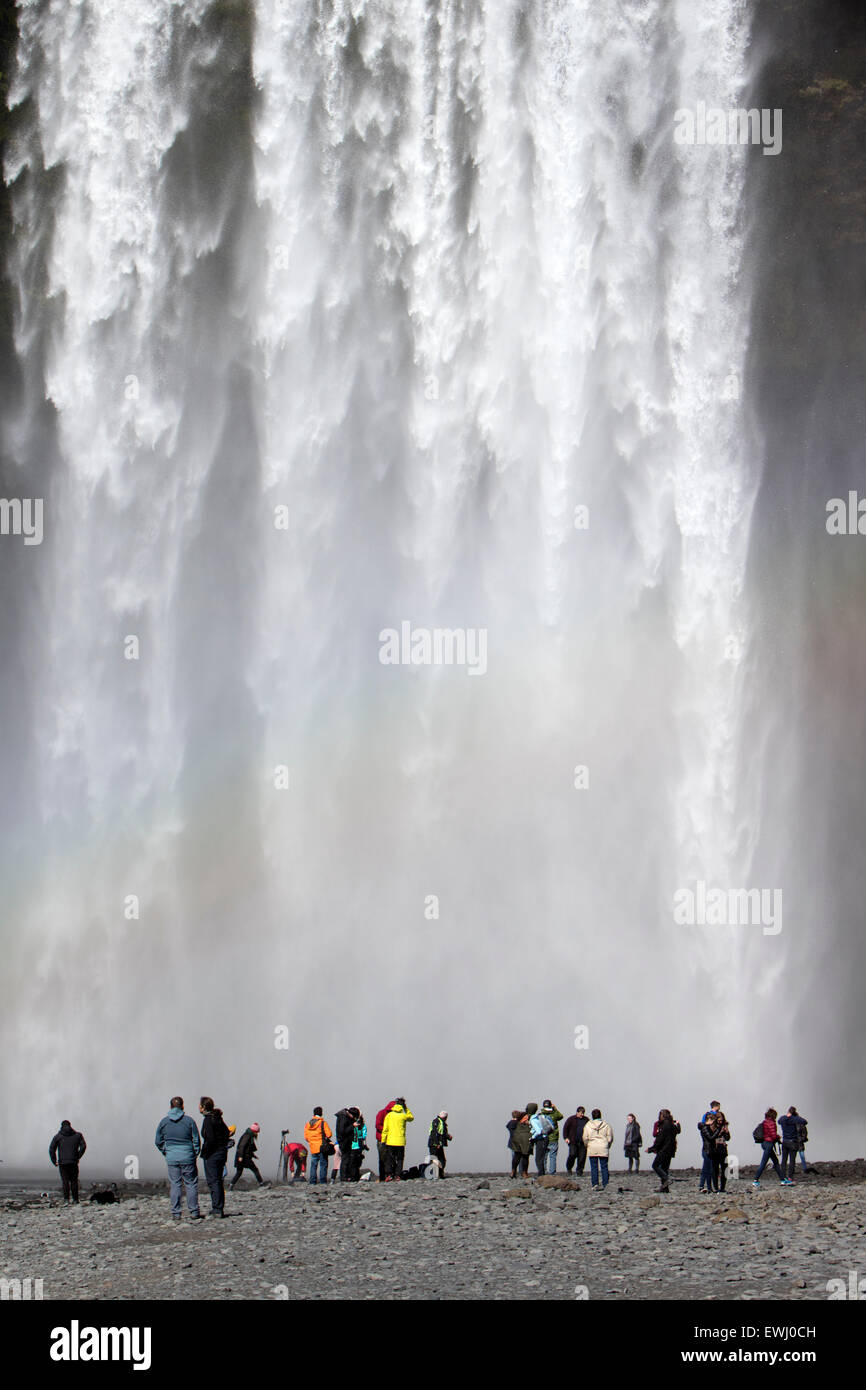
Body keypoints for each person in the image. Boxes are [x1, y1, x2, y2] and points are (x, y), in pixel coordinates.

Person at [154, 1096, 204, 1221]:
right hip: (188, 1156)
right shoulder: (189, 1121)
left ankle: (176, 1213)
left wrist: (166, 1151)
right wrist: (194, 1153)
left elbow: (158, 1141)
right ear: (182, 1106)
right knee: (191, 1183)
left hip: (172, 1157)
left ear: (170, 1107)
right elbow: (196, 1140)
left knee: (175, 1184)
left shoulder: (164, 1122)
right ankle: (193, 1211)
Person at [199, 1097, 230, 1217]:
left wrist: (205, 1152)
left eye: (200, 1105)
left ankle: (217, 1208)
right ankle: (219, 1207)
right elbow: (227, 1132)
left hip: (213, 1154)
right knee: (218, 1180)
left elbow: (210, 1138)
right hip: (221, 1152)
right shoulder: (217, 1117)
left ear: (203, 1107)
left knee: (213, 1181)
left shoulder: (208, 1119)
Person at [49, 1120, 87, 1204]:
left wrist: (54, 1160)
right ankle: (75, 1199)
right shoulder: (78, 1135)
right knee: (74, 1181)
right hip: (73, 1161)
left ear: (61, 1126)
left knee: (65, 1181)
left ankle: (66, 1199)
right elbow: (83, 1146)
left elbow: (52, 1149)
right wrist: (78, 1156)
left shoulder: (58, 1136)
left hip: (62, 1163)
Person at [647, 1109, 680, 1193]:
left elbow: (659, 1140)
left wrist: (651, 1149)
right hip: (671, 1150)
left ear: (662, 1116)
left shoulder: (665, 1126)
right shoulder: (672, 1125)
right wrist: (678, 1124)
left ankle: (666, 1179)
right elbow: (678, 1131)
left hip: (664, 1149)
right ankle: (665, 1188)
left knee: (655, 1165)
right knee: (664, 1168)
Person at [381, 1098, 414, 1181]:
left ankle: (389, 1174)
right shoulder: (403, 1115)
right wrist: (406, 1108)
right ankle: (397, 1175)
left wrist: (383, 1140)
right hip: (400, 1141)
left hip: (390, 1141)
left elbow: (385, 1129)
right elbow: (411, 1117)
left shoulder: (389, 1115)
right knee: (399, 1159)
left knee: (389, 1158)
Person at [752, 1107, 786, 1186]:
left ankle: (783, 1179)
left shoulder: (764, 1122)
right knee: (763, 1163)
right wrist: (778, 1137)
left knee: (775, 1161)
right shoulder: (772, 1123)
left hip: (764, 1143)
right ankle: (755, 1180)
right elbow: (773, 1136)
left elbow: (767, 1133)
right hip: (769, 1144)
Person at [583, 1109, 614, 1190]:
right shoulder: (606, 1125)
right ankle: (605, 1183)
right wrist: (607, 1145)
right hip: (603, 1146)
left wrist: (587, 1145)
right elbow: (610, 1138)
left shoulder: (588, 1125)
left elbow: (585, 1138)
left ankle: (595, 1184)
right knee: (604, 1166)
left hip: (592, 1146)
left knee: (594, 1167)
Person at [303, 1107, 333, 1186]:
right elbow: (329, 1134)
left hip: (313, 1147)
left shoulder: (308, 1124)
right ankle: (322, 1181)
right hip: (322, 1147)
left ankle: (312, 1181)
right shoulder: (322, 1123)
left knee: (313, 1165)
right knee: (323, 1164)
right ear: (321, 1113)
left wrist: (312, 1141)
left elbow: (306, 1137)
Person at [230, 1123, 266, 1189]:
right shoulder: (248, 1135)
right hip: (244, 1157)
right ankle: (261, 1184)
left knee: (239, 1172)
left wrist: (253, 1155)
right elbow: (242, 1146)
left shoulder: (249, 1135)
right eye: (257, 1132)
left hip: (241, 1156)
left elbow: (248, 1148)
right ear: (254, 1131)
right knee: (255, 1170)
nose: (257, 1134)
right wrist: (240, 1156)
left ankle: (231, 1185)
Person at [375, 1100, 397, 1182]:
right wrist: (387, 1131)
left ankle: (390, 1175)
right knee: (383, 1158)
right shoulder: (382, 1113)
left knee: (391, 1158)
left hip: (391, 1139)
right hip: (382, 1139)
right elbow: (377, 1125)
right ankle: (383, 1177)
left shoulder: (393, 1114)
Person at [528, 1103, 553, 1175]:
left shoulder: (533, 1119)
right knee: (541, 1157)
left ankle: (541, 1174)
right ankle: (542, 1174)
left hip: (541, 1139)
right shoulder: (539, 1117)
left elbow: (539, 1131)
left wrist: (532, 1137)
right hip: (545, 1138)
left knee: (538, 1159)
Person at [779, 1107, 802, 1184]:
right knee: (792, 1161)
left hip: (785, 1141)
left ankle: (783, 1178)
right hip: (792, 1142)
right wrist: (794, 1117)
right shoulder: (794, 1119)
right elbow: (805, 1121)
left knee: (784, 1160)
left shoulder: (783, 1119)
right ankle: (790, 1177)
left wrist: (787, 1116)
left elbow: (779, 1121)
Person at [563, 1106, 588, 1175]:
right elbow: (565, 1129)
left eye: (583, 1113)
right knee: (572, 1154)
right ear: (577, 1112)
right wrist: (566, 1138)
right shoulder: (571, 1119)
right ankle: (569, 1168)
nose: (582, 1114)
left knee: (582, 1157)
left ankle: (579, 1171)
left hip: (583, 1142)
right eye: (580, 1113)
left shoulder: (586, 1120)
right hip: (573, 1141)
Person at [540, 1100, 564, 1174]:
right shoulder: (554, 1114)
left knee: (544, 1156)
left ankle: (543, 1171)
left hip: (543, 1138)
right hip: (553, 1138)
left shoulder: (541, 1115)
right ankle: (552, 1172)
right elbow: (561, 1116)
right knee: (552, 1156)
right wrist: (555, 1109)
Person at [507, 1110, 531, 1178]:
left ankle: (513, 1171)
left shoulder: (514, 1124)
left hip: (516, 1142)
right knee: (524, 1157)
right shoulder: (520, 1124)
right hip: (523, 1143)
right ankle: (524, 1173)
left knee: (517, 1157)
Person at [698, 1112, 719, 1193]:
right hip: (707, 1150)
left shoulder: (706, 1127)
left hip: (709, 1150)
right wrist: (718, 1131)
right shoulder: (705, 1128)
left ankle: (708, 1187)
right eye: (713, 1120)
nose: (713, 1122)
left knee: (708, 1169)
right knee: (706, 1170)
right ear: (709, 1120)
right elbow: (710, 1138)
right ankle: (702, 1186)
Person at [335, 1106, 357, 1182]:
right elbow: (342, 1131)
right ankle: (344, 1177)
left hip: (344, 1141)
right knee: (345, 1159)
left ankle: (345, 1176)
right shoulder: (344, 1118)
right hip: (344, 1142)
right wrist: (352, 1126)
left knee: (346, 1159)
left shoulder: (343, 1117)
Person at [428, 1111, 452, 1176]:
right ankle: (432, 1174)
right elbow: (434, 1133)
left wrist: (448, 1137)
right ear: (445, 1117)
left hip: (439, 1144)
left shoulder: (441, 1123)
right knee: (435, 1159)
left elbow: (442, 1133)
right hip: (434, 1144)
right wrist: (437, 1143)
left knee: (442, 1160)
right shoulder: (437, 1122)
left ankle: (439, 1173)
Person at [712, 1112, 731, 1192]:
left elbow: (728, 1138)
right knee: (715, 1169)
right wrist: (719, 1131)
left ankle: (722, 1187)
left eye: (721, 1121)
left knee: (725, 1169)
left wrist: (726, 1132)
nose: (720, 1122)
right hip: (715, 1150)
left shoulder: (724, 1126)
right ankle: (716, 1187)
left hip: (723, 1149)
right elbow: (712, 1137)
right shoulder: (713, 1127)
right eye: (719, 1120)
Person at [791, 1107, 811, 1174]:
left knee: (793, 1156)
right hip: (799, 1141)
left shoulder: (790, 1122)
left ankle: (792, 1169)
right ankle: (804, 1168)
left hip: (795, 1141)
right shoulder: (801, 1122)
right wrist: (803, 1138)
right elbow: (804, 1132)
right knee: (801, 1155)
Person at [350, 1110, 368, 1181]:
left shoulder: (352, 1123)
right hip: (359, 1144)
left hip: (353, 1144)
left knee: (352, 1162)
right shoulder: (362, 1124)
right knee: (358, 1161)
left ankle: (353, 1177)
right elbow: (364, 1135)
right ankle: (356, 1176)